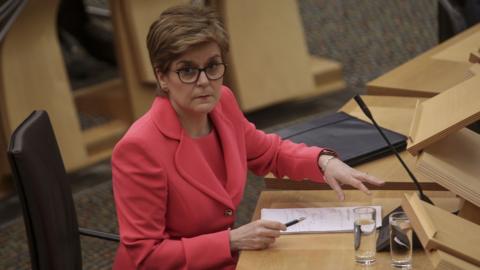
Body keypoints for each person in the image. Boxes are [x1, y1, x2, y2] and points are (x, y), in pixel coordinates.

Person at [112, 4, 384, 269]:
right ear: (161, 76)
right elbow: (146, 256)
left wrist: (324, 162)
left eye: (213, 66)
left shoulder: (222, 104)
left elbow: (269, 152)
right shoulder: (140, 148)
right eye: (187, 71)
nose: (205, 81)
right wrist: (230, 241)